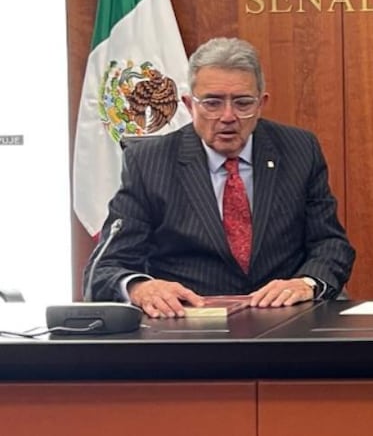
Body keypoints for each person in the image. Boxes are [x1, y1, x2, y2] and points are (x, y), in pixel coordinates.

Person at [84, 37, 356, 317]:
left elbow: (330, 244)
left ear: (261, 104)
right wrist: (140, 288)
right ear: (190, 105)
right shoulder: (149, 162)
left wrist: (306, 283)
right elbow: (105, 268)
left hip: (285, 322)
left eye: (242, 103)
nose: (228, 116)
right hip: (190, 330)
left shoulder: (299, 150)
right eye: (212, 103)